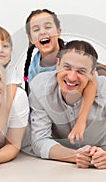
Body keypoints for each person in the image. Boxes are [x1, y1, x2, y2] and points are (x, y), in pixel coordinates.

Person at [28, 40, 106, 169]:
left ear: (92, 74)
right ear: (57, 64)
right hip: (62, 146)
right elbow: (39, 141)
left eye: (81, 71)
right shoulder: (39, 86)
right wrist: (74, 156)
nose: (71, 77)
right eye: (67, 67)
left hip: (103, 142)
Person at [24, 9, 97, 144]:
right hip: (59, 103)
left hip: (77, 97)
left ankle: (104, 71)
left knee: (97, 77)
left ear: (58, 32)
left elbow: (92, 84)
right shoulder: (33, 66)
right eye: (36, 29)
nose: (42, 32)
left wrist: (81, 121)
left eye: (48, 27)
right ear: (30, 38)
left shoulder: (69, 55)